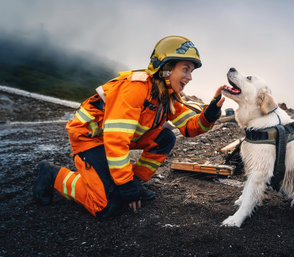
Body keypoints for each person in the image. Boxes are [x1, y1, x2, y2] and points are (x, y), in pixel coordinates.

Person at [33, 35, 225, 218]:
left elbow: (189, 128)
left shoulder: (168, 97)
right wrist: (124, 185)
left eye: (191, 71)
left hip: (111, 139)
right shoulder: (135, 89)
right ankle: (54, 175)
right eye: (185, 69)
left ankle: (135, 181)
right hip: (90, 138)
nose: (190, 77)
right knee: (107, 206)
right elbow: (116, 141)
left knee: (166, 137)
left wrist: (209, 115)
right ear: (166, 67)